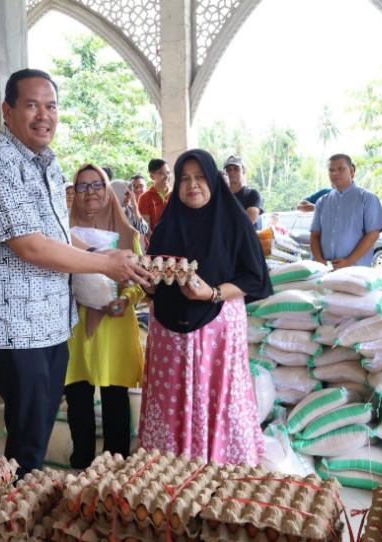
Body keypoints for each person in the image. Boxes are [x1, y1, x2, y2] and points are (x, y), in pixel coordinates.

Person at [0, 68, 149, 476]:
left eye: (51, 106)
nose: (44, 115)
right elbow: (29, 244)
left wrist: (118, 259)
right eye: (32, 105)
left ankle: (21, 501)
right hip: (12, 325)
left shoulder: (46, 163)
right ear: (7, 111)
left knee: (38, 428)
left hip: (49, 322)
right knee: (27, 438)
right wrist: (105, 262)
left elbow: (57, 235)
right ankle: (12, 516)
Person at [138, 148, 272, 465]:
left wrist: (211, 292)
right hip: (169, 335)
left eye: (199, 177)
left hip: (217, 331)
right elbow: (155, 279)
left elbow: (255, 279)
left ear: (213, 180)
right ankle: (168, 465)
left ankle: (219, 462)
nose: (192, 185)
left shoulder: (234, 222)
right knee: (170, 400)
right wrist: (147, 283)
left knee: (215, 396)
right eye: (184, 178)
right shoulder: (168, 225)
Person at [65, 164, 144, 468]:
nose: (90, 193)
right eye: (82, 186)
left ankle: (116, 465)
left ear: (108, 189)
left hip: (115, 325)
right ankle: (82, 464)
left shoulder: (126, 233)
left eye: (97, 185)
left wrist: (125, 298)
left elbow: (139, 282)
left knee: (115, 399)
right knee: (78, 397)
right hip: (75, 325)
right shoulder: (63, 233)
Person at [310, 154, 382, 268]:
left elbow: (373, 234)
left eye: (341, 169)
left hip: (355, 270)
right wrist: (319, 260)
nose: (335, 173)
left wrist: (348, 261)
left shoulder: (367, 199)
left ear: (352, 171)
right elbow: (315, 234)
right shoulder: (322, 202)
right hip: (324, 270)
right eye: (331, 170)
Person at [223, 155, 264, 228]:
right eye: (229, 170)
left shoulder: (253, 194)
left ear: (243, 171)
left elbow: (247, 223)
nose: (232, 172)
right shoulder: (221, 196)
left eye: (236, 169)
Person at [138, 158, 172, 237]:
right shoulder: (144, 198)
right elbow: (146, 229)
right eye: (161, 173)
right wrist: (155, 244)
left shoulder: (176, 195)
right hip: (154, 245)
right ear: (152, 176)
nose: (166, 176)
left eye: (168, 173)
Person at [123, 174, 150, 239]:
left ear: (146, 188)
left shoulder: (151, 207)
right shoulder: (127, 209)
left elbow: (145, 231)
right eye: (134, 187)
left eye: (141, 186)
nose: (138, 190)